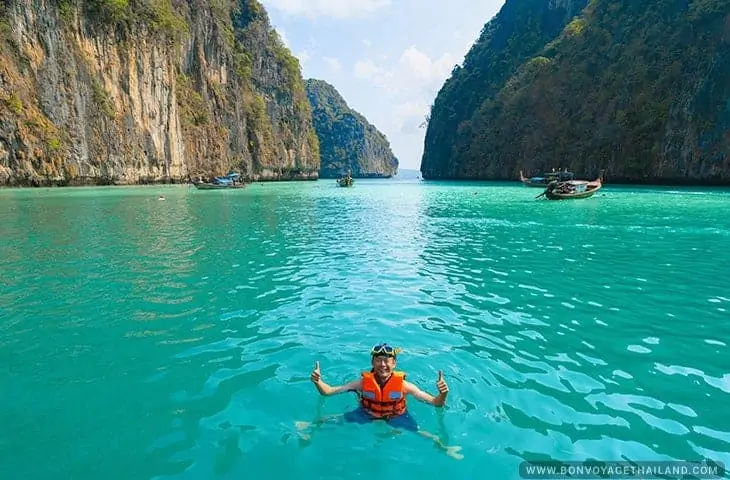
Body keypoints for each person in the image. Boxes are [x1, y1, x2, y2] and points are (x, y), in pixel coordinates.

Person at [310, 343, 449, 432]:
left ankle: (445, 448)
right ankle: (306, 427)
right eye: (378, 360)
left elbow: (436, 403)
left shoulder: (404, 386)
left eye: (386, 361)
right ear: (372, 362)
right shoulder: (362, 384)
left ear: (394, 363)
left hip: (396, 415)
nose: (382, 364)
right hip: (366, 413)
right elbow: (328, 392)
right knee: (327, 420)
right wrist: (318, 382)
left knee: (422, 433)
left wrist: (443, 394)